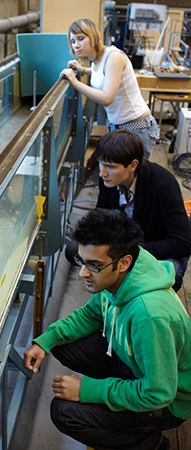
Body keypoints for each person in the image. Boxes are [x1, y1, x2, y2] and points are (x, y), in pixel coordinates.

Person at [24, 208, 191, 450]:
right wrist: (46, 340)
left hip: (166, 403)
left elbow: (158, 393)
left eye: (93, 265)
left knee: (63, 412)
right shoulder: (121, 276)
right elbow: (92, 314)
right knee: (61, 344)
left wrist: (89, 390)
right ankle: (119, 393)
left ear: (124, 263)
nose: (83, 273)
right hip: (135, 366)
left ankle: (148, 443)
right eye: (82, 261)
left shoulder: (149, 316)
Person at [66, 129, 191, 291]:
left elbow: (183, 243)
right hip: (125, 250)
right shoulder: (108, 180)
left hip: (160, 255)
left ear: (133, 165)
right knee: (73, 251)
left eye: (110, 166)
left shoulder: (163, 184)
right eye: (101, 163)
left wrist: (125, 252)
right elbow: (100, 219)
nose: (102, 173)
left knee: (146, 283)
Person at [60, 18, 159, 159]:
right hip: (118, 125)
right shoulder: (95, 59)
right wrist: (82, 70)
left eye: (81, 38)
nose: (76, 45)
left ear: (93, 36)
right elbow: (100, 73)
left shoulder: (113, 57)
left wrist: (74, 81)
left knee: (135, 177)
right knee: (118, 176)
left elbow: (106, 98)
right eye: (73, 41)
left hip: (137, 127)